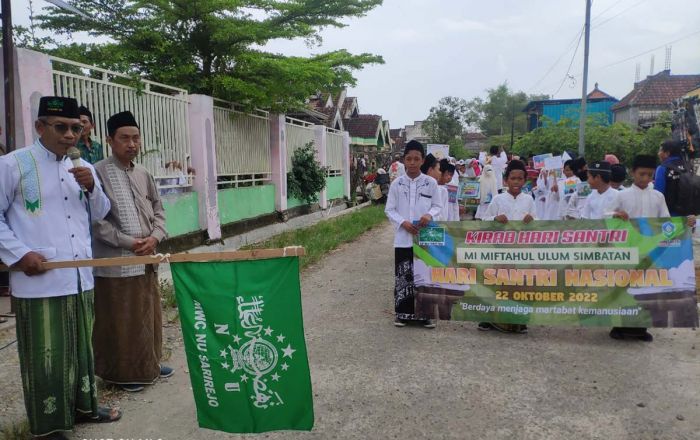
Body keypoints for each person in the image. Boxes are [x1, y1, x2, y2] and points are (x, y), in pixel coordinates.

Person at [0, 96, 118, 440]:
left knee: (82, 349)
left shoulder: (85, 167)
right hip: (41, 280)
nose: (70, 135)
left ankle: (83, 408)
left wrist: (93, 186)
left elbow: (99, 213)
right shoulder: (13, 165)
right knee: (47, 356)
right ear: (40, 127)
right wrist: (19, 255)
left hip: (80, 276)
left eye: (76, 128)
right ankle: (50, 425)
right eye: (61, 127)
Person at [92, 111, 172, 392]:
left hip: (148, 258)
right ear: (110, 140)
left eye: (136, 138)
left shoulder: (144, 173)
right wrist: (129, 242)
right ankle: (123, 375)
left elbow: (160, 210)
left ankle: (149, 364)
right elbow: (96, 223)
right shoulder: (97, 172)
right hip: (116, 262)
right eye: (124, 138)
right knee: (120, 319)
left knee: (149, 316)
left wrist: (156, 236)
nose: (132, 144)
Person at [610, 154, 696, 342]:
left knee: (647, 289)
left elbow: (666, 222)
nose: (645, 179)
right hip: (627, 251)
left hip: (650, 251)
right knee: (625, 289)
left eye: (650, 175)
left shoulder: (658, 197)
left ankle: (641, 329)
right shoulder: (621, 195)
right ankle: (620, 327)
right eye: (641, 174)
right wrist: (617, 215)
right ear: (633, 173)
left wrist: (685, 222)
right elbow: (606, 218)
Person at [385, 140, 442, 329]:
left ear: (422, 160)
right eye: (408, 158)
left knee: (424, 275)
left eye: (416, 158)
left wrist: (428, 215)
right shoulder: (397, 184)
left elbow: (438, 206)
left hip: (425, 239)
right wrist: (403, 222)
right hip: (403, 239)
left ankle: (425, 315)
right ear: (403, 160)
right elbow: (389, 210)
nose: (412, 162)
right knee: (404, 275)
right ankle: (403, 314)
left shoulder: (431, 183)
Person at [479, 160, 536, 334]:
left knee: (520, 285)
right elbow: (484, 221)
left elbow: (539, 223)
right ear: (506, 180)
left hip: (521, 251)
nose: (516, 182)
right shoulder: (498, 200)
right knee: (498, 284)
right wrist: (495, 219)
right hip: (501, 251)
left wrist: (531, 221)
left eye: (520, 178)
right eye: (513, 178)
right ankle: (489, 318)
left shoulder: (528, 200)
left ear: (525, 180)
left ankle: (519, 320)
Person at [654, 140, 687, 216]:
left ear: (667, 153)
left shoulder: (662, 168)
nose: (658, 153)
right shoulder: (688, 167)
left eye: (660, 150)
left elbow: (658, 193)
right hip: (688, 216)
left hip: (669, 214)